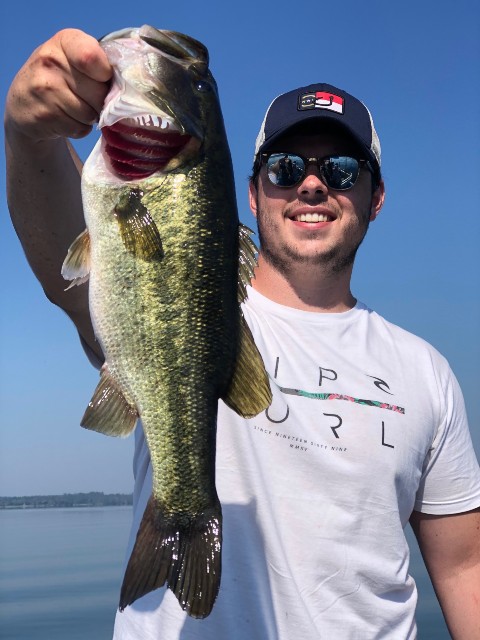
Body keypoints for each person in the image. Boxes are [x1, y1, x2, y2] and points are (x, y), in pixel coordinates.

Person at [5, 29, 480, 640]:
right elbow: (64, 270)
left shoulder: (428, 372)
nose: (312, 185)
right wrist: (27, 137)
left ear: (376, 196)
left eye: (340, 168)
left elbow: (464, 563)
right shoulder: (204, 306)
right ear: (253, 195)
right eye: (285, 168)